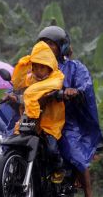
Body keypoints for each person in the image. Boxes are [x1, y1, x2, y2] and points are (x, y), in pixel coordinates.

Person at [37, 26, 103, 197]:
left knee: (76, 155)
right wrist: (12, 93)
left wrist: (75, 90)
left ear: (62, 46)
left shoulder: (74, 67)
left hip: (66, 121)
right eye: (44, 43)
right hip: (39, 117)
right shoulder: (36, 66)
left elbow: (85, 83)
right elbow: (23, 82)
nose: (47, 47)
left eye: (51, 43)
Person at [10, 41, 66, 182]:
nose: (39, 70)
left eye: (43, 67)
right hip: (29, 121)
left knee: (52, 149)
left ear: (49, 67)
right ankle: (13, 170)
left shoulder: (56, 78)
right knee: (13, 142)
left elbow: (38, 92)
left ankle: (58, 169)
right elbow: (17, 84)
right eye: (36, 66)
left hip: (49, 122)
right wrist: (13, 96)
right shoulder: (30, 79)